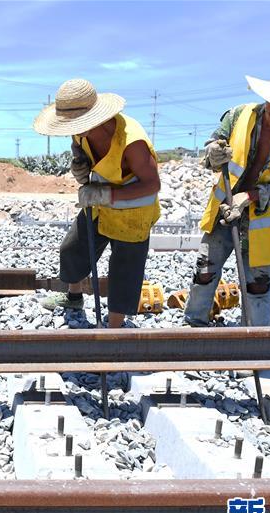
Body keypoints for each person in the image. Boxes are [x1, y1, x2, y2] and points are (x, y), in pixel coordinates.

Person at [184, 67, 270, 327]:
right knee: (204, 272)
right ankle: (194, 326)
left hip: (265, 222)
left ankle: (255, 338)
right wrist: (213, 154)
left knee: (258, 286)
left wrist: (248, 197)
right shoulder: (240, 115)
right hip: (224, 213)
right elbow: (213, 149)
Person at [34, 79, 161, 328]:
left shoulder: (132, 142)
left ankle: (114, 326)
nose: (74, 130)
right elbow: (79, 149)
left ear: (97, 118)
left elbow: (152, 185)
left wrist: (105, 195)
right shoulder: (80, 132)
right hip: (100, 207)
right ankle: (73, 297)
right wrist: (79, 165)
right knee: (72, 248)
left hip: (133, 212)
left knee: (125, 268)